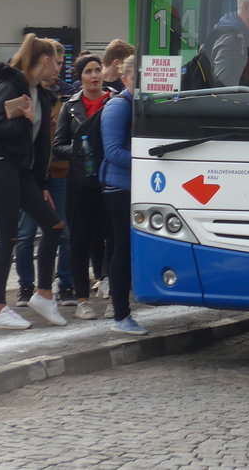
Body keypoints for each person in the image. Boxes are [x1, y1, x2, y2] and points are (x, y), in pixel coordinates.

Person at [0, 34, 69, 330]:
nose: (59, 69)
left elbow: (40, 147)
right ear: (44, 62)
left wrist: (43, 184)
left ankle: (43, 295)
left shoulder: (39, 94)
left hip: (24, 172)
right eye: (56, 64)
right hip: (0, 168)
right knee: (9, 237)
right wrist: (25, 121)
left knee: (54, 225)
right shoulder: (11, 87)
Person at [14, 39, 75, 308]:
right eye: (55, 63)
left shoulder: (67, 96)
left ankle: (64, 284)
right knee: (25, 233)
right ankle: (26, 287)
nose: (58, 70)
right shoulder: (26, 92)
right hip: (31, 175)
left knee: (62, 231)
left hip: (58, 172)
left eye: (62, 63)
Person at [52, 52, 111, 320]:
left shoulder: (115, 102)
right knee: (79, 240)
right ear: (80, 77)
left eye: (97, 70)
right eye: (88, 71)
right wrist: (79, 150)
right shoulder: (70, 106)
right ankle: (82, 299)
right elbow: (58, 145)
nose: (94, 76)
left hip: (110, 180)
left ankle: (112, 291)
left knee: (113, 236)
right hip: (80, 183)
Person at [99, 55, 148, 335]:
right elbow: (113, 152)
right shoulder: (118, 106)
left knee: (128, 248)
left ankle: (124, 310)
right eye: (137, 76)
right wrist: (147, 161)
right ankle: (120, 313)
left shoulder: (142, 104)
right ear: (126, 78)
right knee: (121, 248)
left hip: (135, 186)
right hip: (119, 188)